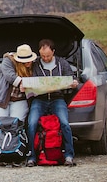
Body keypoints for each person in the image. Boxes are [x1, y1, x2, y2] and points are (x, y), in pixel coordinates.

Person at [26, 38, 78, 167]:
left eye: (48, 56)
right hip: (39, 99)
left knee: (65, 123)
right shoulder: (35, 63)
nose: (46, 58)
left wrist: (74, 83)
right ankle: (31, 157)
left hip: (57, 99)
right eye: (43, 56)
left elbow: (72, 77)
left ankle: (69, 156)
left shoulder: (63, 63)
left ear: (53, 52)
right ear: (39, 52)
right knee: (31, 123)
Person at [0, 43, 36, 155]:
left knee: (17, 127)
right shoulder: (8, 61)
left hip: (19, 100)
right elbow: (9, 76)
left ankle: (16, 153)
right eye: (25, 61)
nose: (28, 63)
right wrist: (22, 82)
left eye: (29, 60)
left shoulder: (34, 65)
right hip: (2, 101)